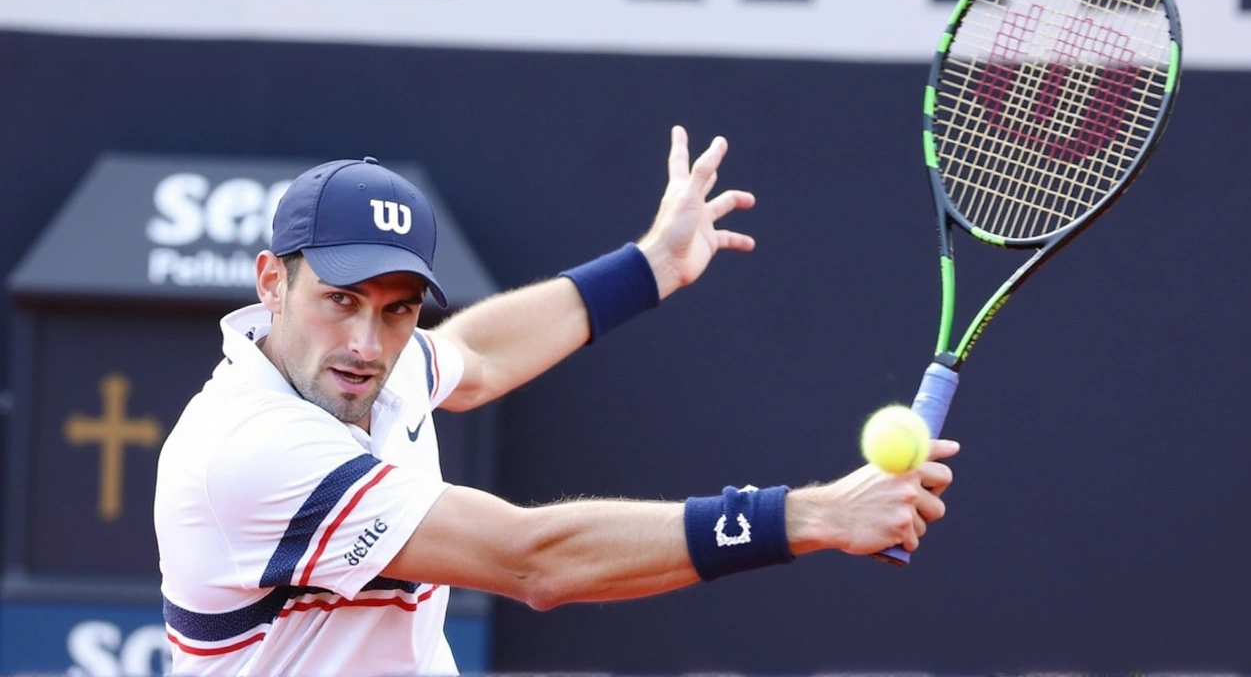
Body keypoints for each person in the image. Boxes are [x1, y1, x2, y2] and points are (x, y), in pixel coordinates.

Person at [153, 126, 959, 677]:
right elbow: (533, 560)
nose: (368, 341)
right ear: (272, 283)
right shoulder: (250, 451)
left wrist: (650, 266)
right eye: (341, 299)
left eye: (398, 308)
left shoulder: (361, 369)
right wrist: (813, 515)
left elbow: (477, 356)